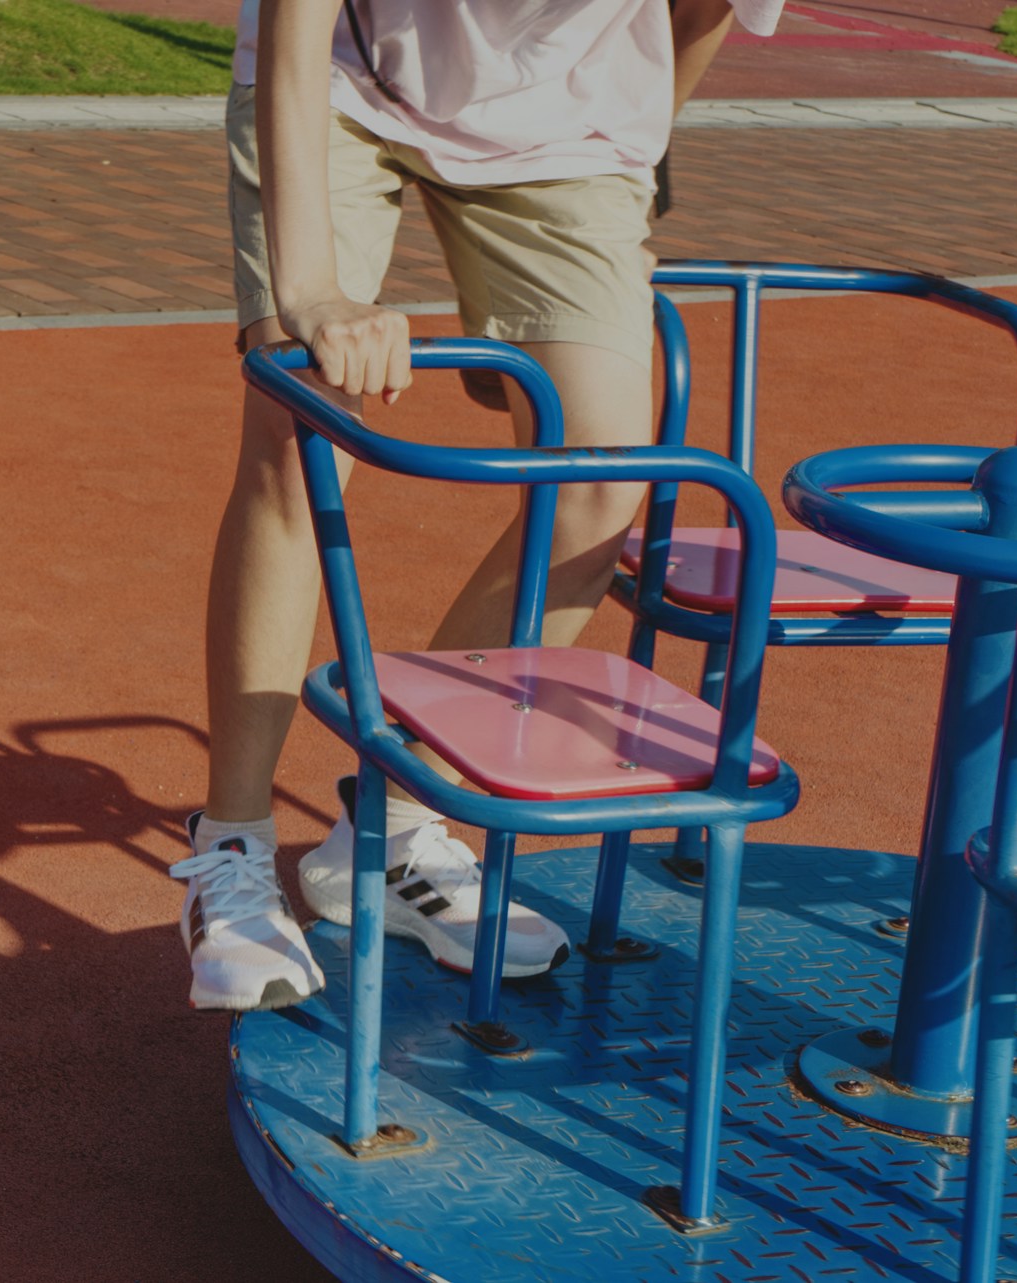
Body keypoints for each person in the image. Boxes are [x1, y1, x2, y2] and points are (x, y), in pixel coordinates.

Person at [172, 0, 783, 1010]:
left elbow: (704, 10)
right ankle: (230, 848)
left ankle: (395, 821)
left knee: (599, 480)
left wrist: (636, 165)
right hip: (343, 76)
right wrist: (313, 288)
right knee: (302, 426)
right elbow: (295, 20)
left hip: (567, 120)